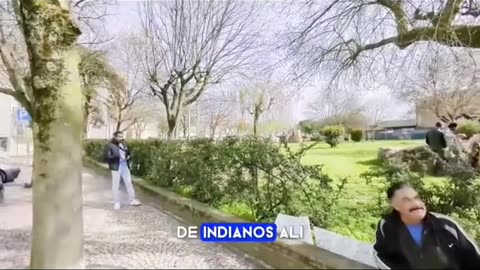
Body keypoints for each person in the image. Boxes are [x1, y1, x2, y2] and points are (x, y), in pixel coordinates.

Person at [373, 182, 480, 269]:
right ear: (395, 206)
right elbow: (382, 257)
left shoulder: (446, 225)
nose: (415, 203)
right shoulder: (387, 226)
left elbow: (474, 258)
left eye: (416, 198)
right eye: (406, 200)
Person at [105, 131, 141, 210]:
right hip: (116, 167)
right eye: (119, 137)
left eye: (121, 136)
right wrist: (117, 156)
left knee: (128, 183)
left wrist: (129, 156)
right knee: (116, 185)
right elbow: (108, 157)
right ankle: (116, 202)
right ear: (115, 137)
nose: (120, 138)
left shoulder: (124, 143)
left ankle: (132, 199)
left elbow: (128, 152)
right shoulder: (110, 145)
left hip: (125, 166)